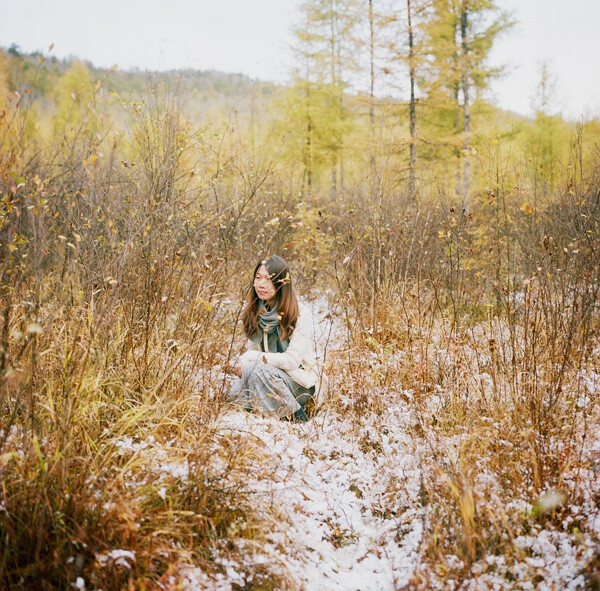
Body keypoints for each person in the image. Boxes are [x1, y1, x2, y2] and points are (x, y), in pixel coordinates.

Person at [227, 255, 319, 422]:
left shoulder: (300, 313)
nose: (261, 284)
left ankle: (297, 417)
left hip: (298, 382)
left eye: (269, 279)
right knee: (233, 395)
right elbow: (255, 355)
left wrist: (249, 358)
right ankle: (268, 412)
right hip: (268, 376)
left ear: (281, 283)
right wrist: (246, 364)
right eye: (258, 277)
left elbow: (291, 361)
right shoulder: (257, 311)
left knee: (256, 370)